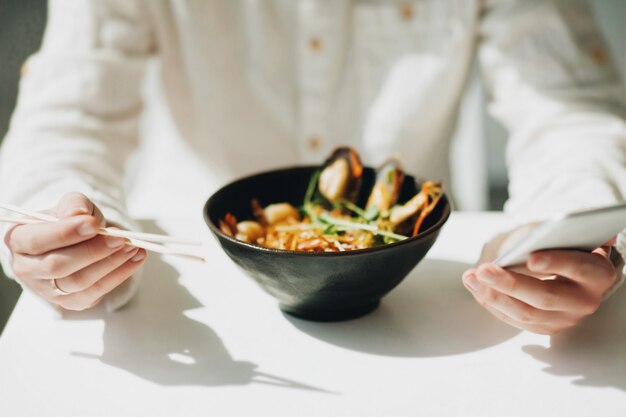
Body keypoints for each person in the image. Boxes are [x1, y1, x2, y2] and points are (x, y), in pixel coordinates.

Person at [0, 0, 624, 334]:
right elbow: (68, 112)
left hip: (421, 286)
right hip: (182, 279)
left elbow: (570, 110)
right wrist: (58, 217)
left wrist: (560, 234)